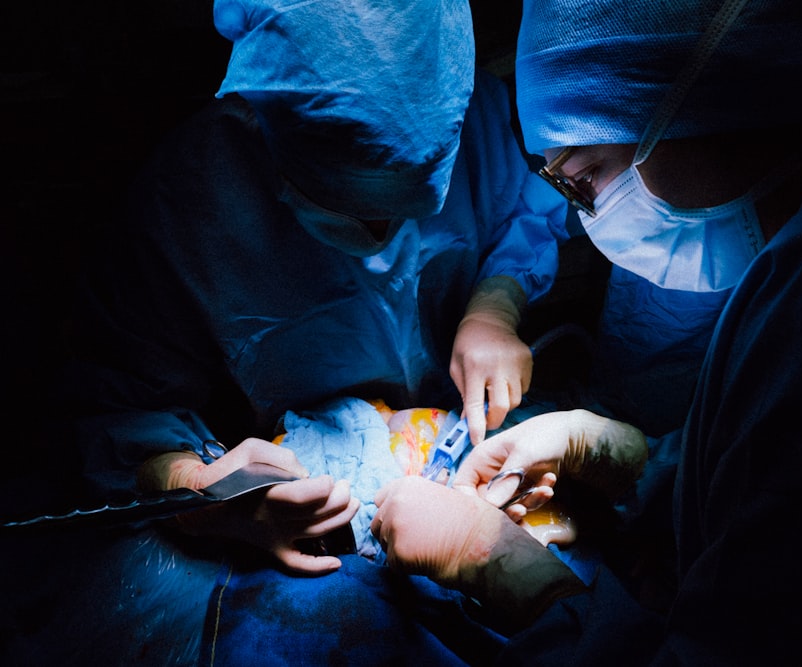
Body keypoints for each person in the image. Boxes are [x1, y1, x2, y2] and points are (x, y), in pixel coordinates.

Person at [372, 0, 802, 663]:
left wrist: (485, 558)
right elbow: (788, 478)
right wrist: (627, 459)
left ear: (711, 95)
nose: (590, 218)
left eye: (587, 179)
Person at [1, 0, 567, 664]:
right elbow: (115, 403)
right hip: (290, 501)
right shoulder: (189, 203)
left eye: (408, 205)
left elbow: (524, 207)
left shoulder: (465, 117)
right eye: (348, 203)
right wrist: (206, 491)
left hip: (463, 441)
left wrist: (496, 302)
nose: (382, 244)